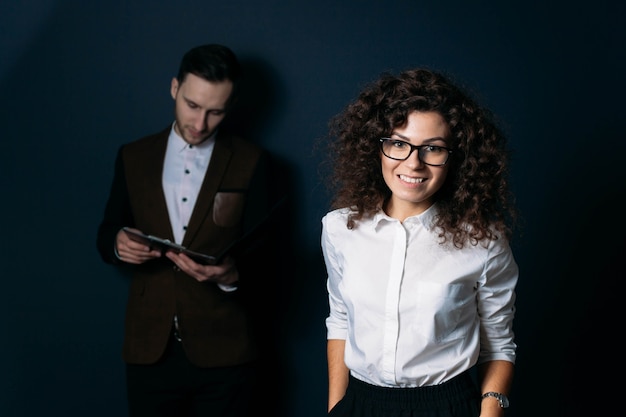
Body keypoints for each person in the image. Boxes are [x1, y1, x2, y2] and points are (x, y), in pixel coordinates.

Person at [320, 68, 519, 417]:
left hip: (448, 406)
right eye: (398, 143)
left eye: (433, 148)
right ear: (376, 147)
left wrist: (491, 411)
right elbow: (339, 320)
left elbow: (499, 346)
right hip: (361, 404)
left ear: (455, 157)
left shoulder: (483, 241)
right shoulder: (339, 229)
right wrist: (336, 408)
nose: (414, 163)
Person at [96, 43, 278, 417]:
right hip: (149, 349)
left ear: (232, 105)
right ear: (175, 88)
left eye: (215, 112)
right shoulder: (133, 156)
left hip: (226, 351)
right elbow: (107, 230)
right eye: (192, 106)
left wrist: (232, 273)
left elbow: (274, 257)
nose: (200, 124)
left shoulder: (254, 162)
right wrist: (116, 244)